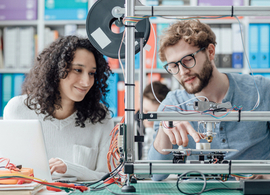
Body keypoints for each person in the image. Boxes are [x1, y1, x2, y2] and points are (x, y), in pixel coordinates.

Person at [147, 20, 270, 181]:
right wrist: (166, 128)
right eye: (173, 66)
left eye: (187, 60)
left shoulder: (262, 91)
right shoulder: (172, 105)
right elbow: (156, 174)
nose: (182, 72)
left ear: (211, 52)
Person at [3, 35, 114, 181]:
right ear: (57, 70)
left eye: (92, 73)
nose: (86, 82)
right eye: (78, 70)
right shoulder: (18, 110)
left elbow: (107, 177)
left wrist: (70, 168)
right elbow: (10, 172)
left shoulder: (101, 117)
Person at [137, 81, 170, 160]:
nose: (149, 120)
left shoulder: (172, 127)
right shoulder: (129, 126)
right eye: (145, 111)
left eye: (155, 115)